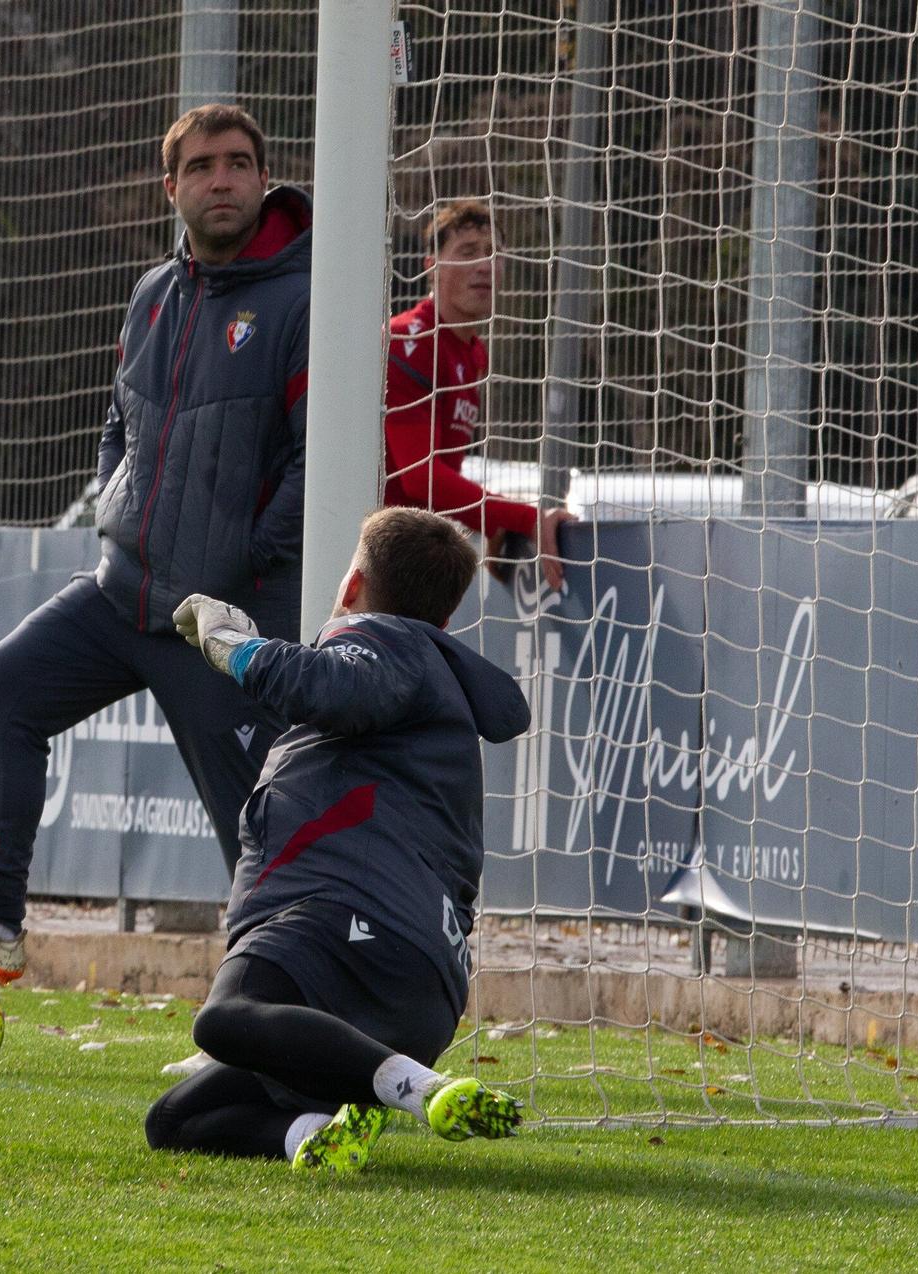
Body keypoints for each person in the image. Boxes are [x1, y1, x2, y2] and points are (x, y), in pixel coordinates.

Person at [0, 105, 311, 982]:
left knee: (258, 826)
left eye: (236, 163)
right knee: (2, 687)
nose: (220, 179)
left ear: (265, 178)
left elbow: (317, 457)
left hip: (223, 620)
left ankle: (271, 1007)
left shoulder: (306, 300)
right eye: (200, 167)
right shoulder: (154, 294)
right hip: (124, 592)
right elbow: (120, 426)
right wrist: (120, 512)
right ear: (172, 187)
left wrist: (248, 569)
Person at [143, 506, 529, 1171]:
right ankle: (315, 1136)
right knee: (176, 1118)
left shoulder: (382, 639)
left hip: (348, 922)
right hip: (420, 990)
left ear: (352, 586)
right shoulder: (428, 684)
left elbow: (335, 685)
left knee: (225, 1017)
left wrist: (233, 645)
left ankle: (411, 1088)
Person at [383, 197, 575, 593]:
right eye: (468, 252)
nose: (485, 266)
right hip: (362, 549)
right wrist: (517, 517)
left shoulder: (474, 353)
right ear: (431, 267)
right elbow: (419, 477)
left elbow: (439, 478)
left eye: (494, 254)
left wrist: (486, 518)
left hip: (403, 554)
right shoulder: (407, 342)